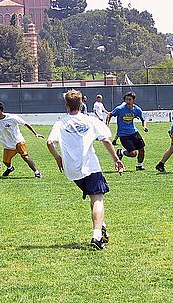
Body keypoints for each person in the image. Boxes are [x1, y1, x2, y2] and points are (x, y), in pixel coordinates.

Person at [46, 90, 124, 250]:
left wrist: (58, 158)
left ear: (67, 105)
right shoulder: (90, 120)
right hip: (90, 166)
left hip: (72, 172)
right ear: (81, 104)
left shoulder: (60, 124)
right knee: (98, 199)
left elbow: (49, 142)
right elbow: (106, 140)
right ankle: (97, 236)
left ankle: (101, 225)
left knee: (93, 197)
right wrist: (116, 159)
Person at [0, 102, 43, 178]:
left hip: (18, 141)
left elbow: (25, 124)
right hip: (8, 145)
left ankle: (37, 172)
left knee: (25, 157)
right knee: (6, 162)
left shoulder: (12, 117)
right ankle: (10, 168)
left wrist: (35, 133)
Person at [106, 91, 148, 171]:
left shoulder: (137, 109)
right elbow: (109, 114)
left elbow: (143, 119)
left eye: (129, 99)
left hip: (134, 133)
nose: (127, 101)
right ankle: (121, 152)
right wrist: (107, 125)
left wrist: (144, 126)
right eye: (126, 99)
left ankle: (139, 166)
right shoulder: (120, 109)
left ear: (133, 100)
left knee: (142, 150)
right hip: (124, 135)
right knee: (133, 154)